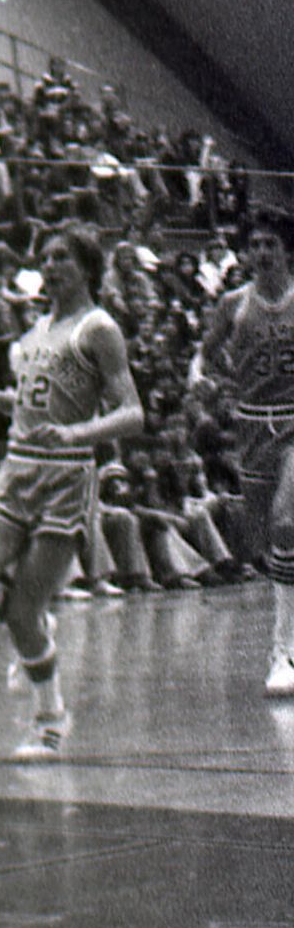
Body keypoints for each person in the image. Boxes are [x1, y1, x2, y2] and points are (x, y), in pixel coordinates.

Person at [0, 222, 144, 756]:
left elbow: (133, 413)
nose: (50, 266)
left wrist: (77, 433)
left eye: (62, 257)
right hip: (17, 470)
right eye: (45, 258)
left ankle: (50, 717)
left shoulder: (98, 329)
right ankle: (34, 627)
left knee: (23, 613)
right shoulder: (34, 332)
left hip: (66, 476)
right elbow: (29, 406)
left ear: (87, 268)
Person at [189, 209, 294, 692]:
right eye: (255, 245)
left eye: (270, 244)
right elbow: (204, 354)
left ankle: (283, 651)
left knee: (286, 523)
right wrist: (201, 381)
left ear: (286, 250)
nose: (262, 252)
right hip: (252, 426)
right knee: (266, 544)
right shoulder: (233, 304)